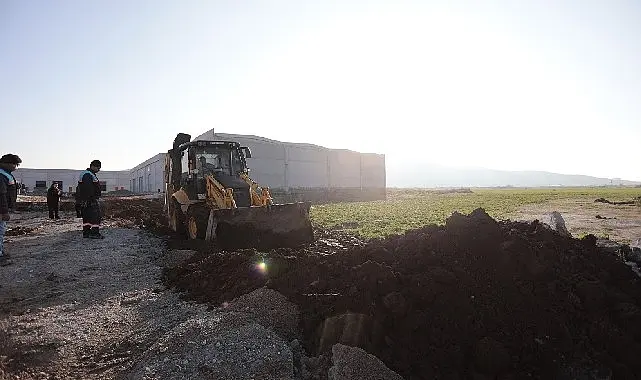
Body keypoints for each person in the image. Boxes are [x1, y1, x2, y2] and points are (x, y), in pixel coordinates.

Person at [0, 154, 22, 260]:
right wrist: (4, 212)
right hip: (1, 210)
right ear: (7, 163)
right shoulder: (1, 175)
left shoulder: (5, 174)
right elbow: (1, 194)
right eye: (15, 164)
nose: (16, 167)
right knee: (0, 231)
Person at [77, 160, 104, 239]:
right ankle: (94, 233)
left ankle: (86, 233)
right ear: (93, 166)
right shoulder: (88, 175)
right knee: (96, 217)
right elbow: (88, 188)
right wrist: (91, 199)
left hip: (87, 200)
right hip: (90, 199)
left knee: (87, 217)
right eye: (98, 168)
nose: (99, 170)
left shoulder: (88, 174)